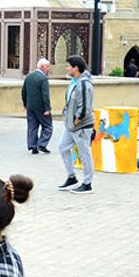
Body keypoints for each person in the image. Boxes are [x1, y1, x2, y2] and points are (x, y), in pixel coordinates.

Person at [57, 55, 94, 194]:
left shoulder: (84, 84)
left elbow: (85, 105)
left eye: (68, 66)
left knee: (84, 153)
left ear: (76, 68)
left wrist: (78, 119)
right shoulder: (74, 82)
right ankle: (71, 176)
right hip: (71, 125)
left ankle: (87, 183)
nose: (67, 68)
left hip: (81, 125)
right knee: (63, 147)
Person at [21, 57, 52, 155]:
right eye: (47, 67)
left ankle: (33, 146)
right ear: (42, 67)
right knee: (48, 126)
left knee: (32, 126)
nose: (48, 69)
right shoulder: (43, 78)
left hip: (30, 106)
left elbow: (24, 91)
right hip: (41, 107)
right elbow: (45, 95)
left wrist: (25, 103)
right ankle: (42, 144)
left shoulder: (29, 76)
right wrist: (48, 108)